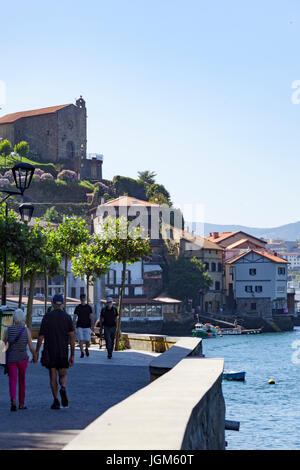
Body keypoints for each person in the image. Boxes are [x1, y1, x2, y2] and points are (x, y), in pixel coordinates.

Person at [35, 294, 75, 410]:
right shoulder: (67, 317)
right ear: (62, 304)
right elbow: (72, 337)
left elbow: (41, 337)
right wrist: (72, 354)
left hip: (50, 351)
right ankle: (63, 387)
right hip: (62, 350)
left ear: (52, 303)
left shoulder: (47, 317)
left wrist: (36, 352)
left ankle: (56, 400)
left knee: (52, 376)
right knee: (63, 374)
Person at [4, 309, 36, 411]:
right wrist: (35, 355)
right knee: (22, 381)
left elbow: (4, 344)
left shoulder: (8, 330)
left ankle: (13, 400)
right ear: (22, 318)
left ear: (14, 318)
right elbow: (31, 346)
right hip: (22, 358)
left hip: (11, 359)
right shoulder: (26, 330)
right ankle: (21, 404)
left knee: (12, 381)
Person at [73, 293, 93, 358]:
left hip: (87, 326)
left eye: (84, 298)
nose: (83, 299)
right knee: (80, 339)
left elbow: (91, 316)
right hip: (79, 326)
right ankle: (82, 352)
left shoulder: (89, 307)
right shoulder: (77, 307)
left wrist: (92, 325)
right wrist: (73, 325)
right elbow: (75, 317)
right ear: (80, 299)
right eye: (82, 298)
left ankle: (86, 348)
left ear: (85, 298)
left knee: (88, 340)